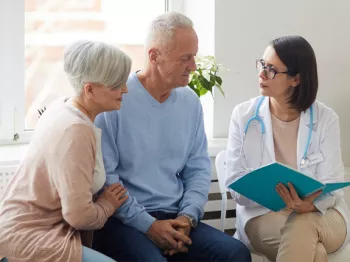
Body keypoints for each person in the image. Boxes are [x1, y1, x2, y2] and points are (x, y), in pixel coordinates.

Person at [92, 11, 251, 262]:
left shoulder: (190, 102)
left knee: (235, 253)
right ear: (154, 56)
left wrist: (187, 217)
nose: (194, 66)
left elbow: (198, 169)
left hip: (177, 216)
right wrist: (148, 225)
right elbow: (107, 179)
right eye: (185, 58)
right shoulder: (115, 100)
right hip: (124, 221)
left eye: (194, 57)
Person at [0, 40, 132, 262]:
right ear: (89, 89)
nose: (125, 90)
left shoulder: (62, 106)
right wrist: (107, 205)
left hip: (24, 227)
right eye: (117, 85)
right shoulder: (76, 130)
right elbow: (79, 216)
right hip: (29, 236)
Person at [225, 35, 349, 262]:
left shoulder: (326, 119)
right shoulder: (243, 116)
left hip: (323, 215)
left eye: (271, 69)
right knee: (315, 253)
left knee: (303, 225)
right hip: (264, 215)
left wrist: (308, 205)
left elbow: (333, 185)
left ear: (296, 79)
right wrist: (276, 197)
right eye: (261, 64)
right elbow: (235, 184)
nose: (261, 74)